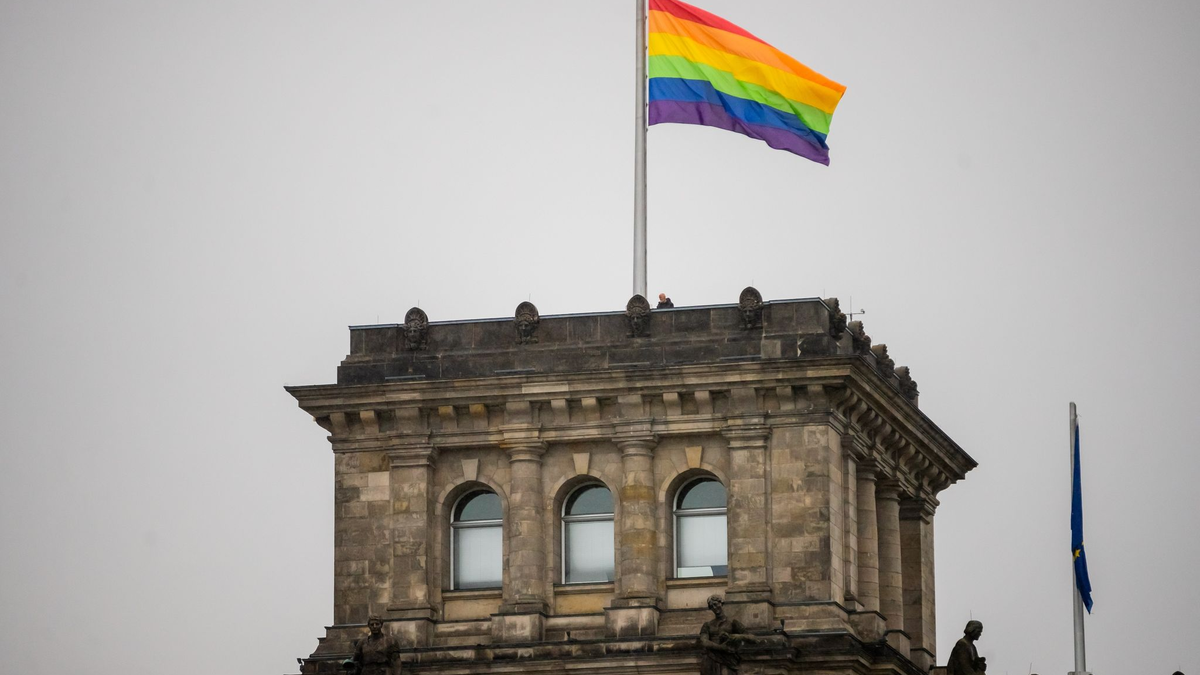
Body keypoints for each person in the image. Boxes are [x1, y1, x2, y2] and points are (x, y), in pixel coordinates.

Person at [699, 595, 757, 675]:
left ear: (721, 603)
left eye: (716, 604)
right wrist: (721, 647)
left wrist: (736, 637)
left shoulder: (732, 622)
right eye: (712, 606)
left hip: (728, 660)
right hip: (710, 659)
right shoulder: (707, 625)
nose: (714, 608)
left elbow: (753, 638)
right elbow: (704, 641)